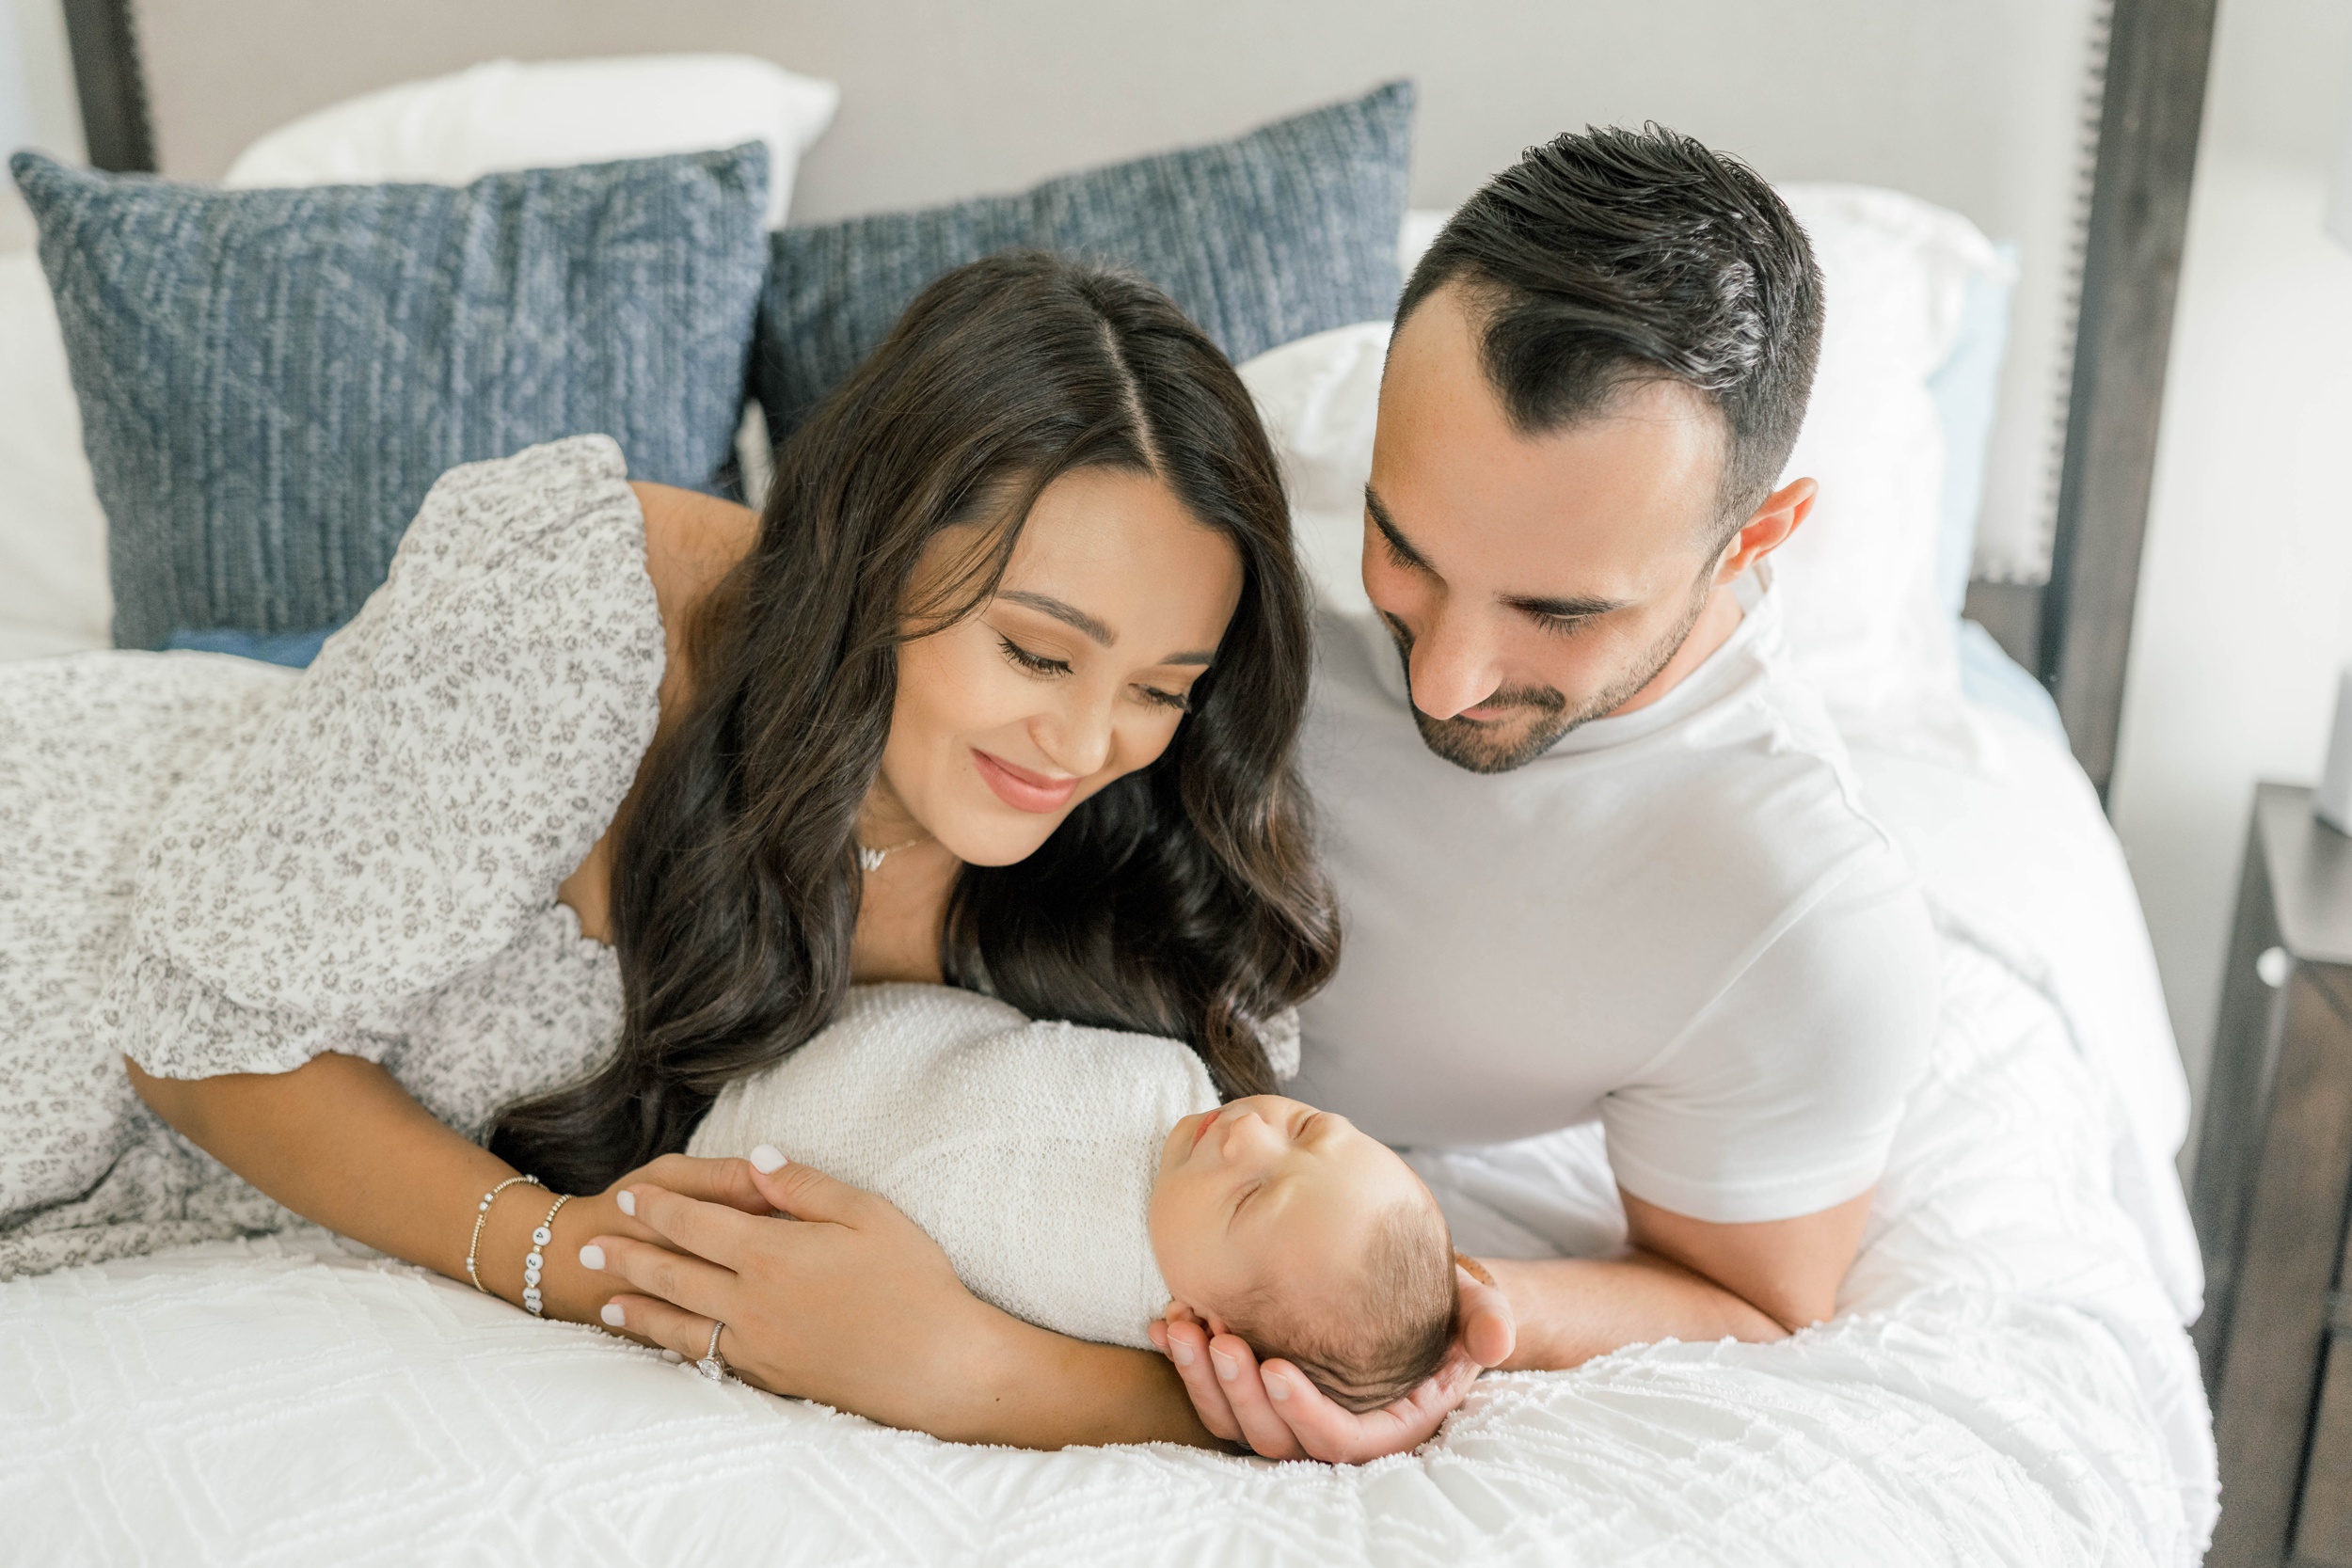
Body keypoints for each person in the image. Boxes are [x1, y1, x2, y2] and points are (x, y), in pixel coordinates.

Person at [0, 251, 1359, 1449]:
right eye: (1036, 649)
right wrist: (576, 1257)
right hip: (58, 884)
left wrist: (972, 1371)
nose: (1081, 740)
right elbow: (194, 1025)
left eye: (1161, 682)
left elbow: (1288, 1346)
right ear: (870, 550)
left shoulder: (1164, 870)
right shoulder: (580, 608)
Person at [1144, 125, 1941, 1460]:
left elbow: (1748, 1295)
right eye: (1402, 550)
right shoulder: (1243, 469)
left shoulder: (1798, 912)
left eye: (1556, 611)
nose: (1449, 678)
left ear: (1755, 537)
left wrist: (1459, 1316)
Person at [685, 978, 1457, 1412]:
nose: (1246, 1132)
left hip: (760, 1139)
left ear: (1207, 1325)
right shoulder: (1179, 1084)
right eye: (1308, 1127)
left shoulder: (1109, 1292)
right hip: (816, 1018)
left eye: (1250, 1197)